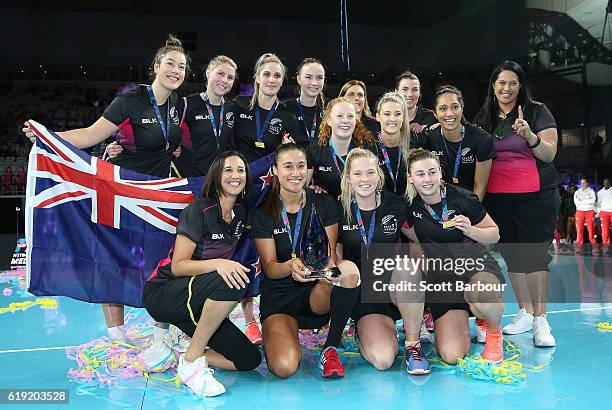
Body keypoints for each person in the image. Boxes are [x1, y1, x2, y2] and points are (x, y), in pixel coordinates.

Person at [23, 35, 189, 344]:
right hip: (121, 191)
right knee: (115, 258)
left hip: (157, 195)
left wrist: (173, 150)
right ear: (155, 67)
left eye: (181, 67)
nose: (176, 71)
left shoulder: (179, 104)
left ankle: (161, 332)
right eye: (170, 64)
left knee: (163, 260)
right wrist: (47, 136)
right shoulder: (129, 101)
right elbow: (89, 135)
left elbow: (171, 143)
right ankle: (117, 336)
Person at [144, 151, 261, 396]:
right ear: (216, 175)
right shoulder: (198, 210)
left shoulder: (241, 213)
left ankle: (181, 355)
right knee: (234, 279)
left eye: (241, 170)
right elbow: (178, 266)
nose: (235, 175)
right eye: (228, 169)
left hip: (199, 301)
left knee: (248, 360)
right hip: (164, 293)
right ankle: (191, 362)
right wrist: (219, 263)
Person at [251, 143, 361, 379]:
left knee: (348, 271)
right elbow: (269, 268)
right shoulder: (263, 212)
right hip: (280, 298)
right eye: (288, 166)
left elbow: (331, 256)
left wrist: (325, 271)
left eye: (301, 166)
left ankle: (330, 348)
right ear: (275, 170)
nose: (295, 173)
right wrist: (290, 267)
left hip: (316, 294)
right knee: (284, 368)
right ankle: (278, 336)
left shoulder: (323, 202)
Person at [474, 60, 559, 347]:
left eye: (512, 82)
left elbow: (549, 154)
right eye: (501, 83)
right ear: (493, 86)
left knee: (534, 256)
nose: (506, 88)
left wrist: (529, 136)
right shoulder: (485, 116)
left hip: (535, 197)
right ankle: (524, 313)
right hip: (499, 199)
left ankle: (541, 320)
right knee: (512, 256)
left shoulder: (537, 111)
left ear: (520, 85)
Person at [404, 148, 505, 364]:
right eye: (420, 174)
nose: (427, 179)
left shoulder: (462, 197)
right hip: (444, 282)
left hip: (476, 268)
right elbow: (410, 233)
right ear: (410, 178)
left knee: (481, 295)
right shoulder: (410, 207)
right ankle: (471, 315)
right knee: (452, 355)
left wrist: (471, 231)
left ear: (440, 172)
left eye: (432, 172)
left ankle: (493, 332)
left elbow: (494, 233)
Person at [336, 148, 429, 374]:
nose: (364, 179)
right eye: (357, 174)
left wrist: (421, 274)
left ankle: (413, 343)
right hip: (363, 294)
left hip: (394, 285)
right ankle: (362, 329)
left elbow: (417, 240)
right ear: (348, 177)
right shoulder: (338, 209)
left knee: (407, 267)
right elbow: (335, 256)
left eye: (370, 172)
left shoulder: (396, 205)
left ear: (379, 175)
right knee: (383, 360)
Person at [413, 85, 494, 201]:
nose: (450, 113)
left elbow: (480, 188)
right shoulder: (429, 138)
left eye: (455, 107)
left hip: (471, 204)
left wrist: (470, 215)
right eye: (443, 109)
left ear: (462, 108)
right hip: (441, 204)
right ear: (435, 114)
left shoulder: (482, 139)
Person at [232, 53, 301, 162]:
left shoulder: (288, 116)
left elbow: (295, 156)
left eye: (277, 76)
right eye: (267, 74)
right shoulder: (239, 104)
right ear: (258, 78)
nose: (272, 80)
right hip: (239, 175)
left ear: (282, 81)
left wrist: (288, 150)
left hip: (269, 177)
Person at [307, 97, 374, 198]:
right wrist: (312, 189)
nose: (345, 121)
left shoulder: (366, 147)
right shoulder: (315, 149)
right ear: (329, 121)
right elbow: (304, 185)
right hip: (327, 208)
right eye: (340, 116)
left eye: (350, 116)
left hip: (358, 207)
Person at [370, 92, 410, 195]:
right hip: (381, 206)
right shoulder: (369, 147)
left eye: (398, 114)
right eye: (387, 114)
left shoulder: (415, 142)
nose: (392, 119)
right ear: (378, 117)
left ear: (403, 117)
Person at [283, 58, 326, 148]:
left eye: (319, 78)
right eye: (308, 77)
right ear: (299, 79)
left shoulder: (329, 111)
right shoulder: (284, 108)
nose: (314, 83)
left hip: (322, 162)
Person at [574, 178, 598, 253]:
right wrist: (587, 201)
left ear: (587, 183)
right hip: (580, 211)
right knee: (579, 230)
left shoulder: (591, 191)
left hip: (589, 211)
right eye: (581, 183)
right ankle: (578, 247)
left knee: (591, 229)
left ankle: (594, 246)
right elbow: (576, 202)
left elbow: (592, 201)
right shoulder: (577, 192)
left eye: (584, 183)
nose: (583, 184)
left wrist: (582, 201)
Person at [597, 178, 612, 253]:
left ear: (610, 183)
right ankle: (606, 244)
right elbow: (598, 203)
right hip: (604, 212)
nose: (606, 184)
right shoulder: (600, 192)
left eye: (607, 183)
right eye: (604, 183)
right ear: (603, 184)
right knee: (605, 230)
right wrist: (599, 211)